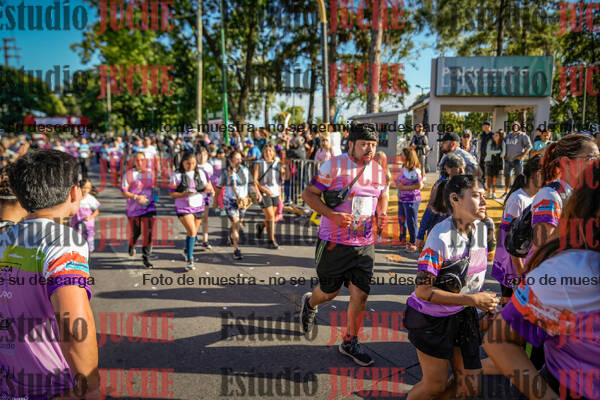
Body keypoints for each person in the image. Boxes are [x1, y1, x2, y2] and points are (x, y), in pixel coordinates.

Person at [483, 160, 600, 400]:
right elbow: (520, 240)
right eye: (587, 156)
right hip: (524, 276)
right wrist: (519, 273)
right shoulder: (539, 197)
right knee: (528, 344)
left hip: (533, 280)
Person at [2, 150, 99, 398]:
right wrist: (90, 387)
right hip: (52, 383)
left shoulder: (4, 237)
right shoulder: (63, 242)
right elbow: (73, 325)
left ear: (21, 198)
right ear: (74, 193)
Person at [299, 123, 388, 366]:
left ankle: (350, 341)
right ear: (351, 145)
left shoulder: (378, 170)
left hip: (364, 244)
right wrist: (333, 215)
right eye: (364, 144)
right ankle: (310, 302)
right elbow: (308, 194)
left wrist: (382, 212)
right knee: (330, 292)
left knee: (360, 296)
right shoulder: (333, 166)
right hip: (334, 242)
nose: (369, 149)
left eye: (373, 145)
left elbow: (382, 195)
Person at [405, 175, 499, 399]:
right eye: (476, 196)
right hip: (432, 320)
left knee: (470, 387)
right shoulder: (440, 237)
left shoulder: (483, 229)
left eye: (484, 196)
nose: (484, 201)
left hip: (464, 316)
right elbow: (423, 291)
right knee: (435, 387)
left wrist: (483, 304)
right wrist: (473, 300)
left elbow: (472, 278)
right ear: (455, 199)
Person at [529, 133, 599, 260]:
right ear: (566, 162)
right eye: (591, 158)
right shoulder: (549, 196)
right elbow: (541, 249)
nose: (597, 163)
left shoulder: (579, 194)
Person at [491, 156, 543, 304]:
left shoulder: (537, 198)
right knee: (510, 307)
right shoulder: (518, 199)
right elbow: (510, 240)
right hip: (513, 267)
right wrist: (521, 274)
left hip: (524, 266)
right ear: (537, 174)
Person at [169, 152, 213, 271]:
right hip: (183, 207)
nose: (191, 166)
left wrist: (208, 189)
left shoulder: (200, 173)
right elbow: (172, 194)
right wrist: (184, 194)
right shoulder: (177, 175)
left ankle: (187, 250)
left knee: (192, 233)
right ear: (182, 163)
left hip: (198, 206)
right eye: (188, 163)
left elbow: (206, 187)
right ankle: (190, 259)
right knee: (192, 231)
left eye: (193, 163)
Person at [415, 154, 465, 252]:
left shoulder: (464, 186)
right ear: (448, 169)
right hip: (439, 234)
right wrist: (420, 235)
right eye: (458, 168)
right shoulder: (442, 186)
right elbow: (430, 211)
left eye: (463, 168)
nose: (462, 171)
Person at [121, 151, 158, 269]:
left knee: (148, 232)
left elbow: (154, 188)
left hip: (149, 207)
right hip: (133, 209)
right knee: (137, 232)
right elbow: (124, 191)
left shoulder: (151, 173)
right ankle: (132, 244)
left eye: (142, 160)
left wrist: (154, 193)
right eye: (137, 160)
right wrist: (136, 197)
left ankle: (146, 257)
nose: (140, 162)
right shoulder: (129, 174)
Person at [217, 150, 250, 260]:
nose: (239, 161)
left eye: (240, 158)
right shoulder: (225, 172)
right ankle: (236, 249)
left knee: (239, 223)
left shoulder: (245, 170)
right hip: (230, 201)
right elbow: (218, 187)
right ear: (231, 160)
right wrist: (216, 200)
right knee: (236, 223)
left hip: (243, 201)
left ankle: (231, 233)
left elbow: (250, 183)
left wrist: (255, 195)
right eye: (236, 159)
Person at [254, 144, 285, 249]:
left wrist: (280, 195)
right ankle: (271, 240)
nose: (268, 153)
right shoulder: (259, 164)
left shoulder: (277, 163)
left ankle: (261, 226)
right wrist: (263, 190)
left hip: (275, 193)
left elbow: (280, 179)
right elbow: (255, 180)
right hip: (264, 194)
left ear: (273, 153)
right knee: (271, 217)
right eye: (266, 151)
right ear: (263, 153)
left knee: (270, 218)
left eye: (270, 151)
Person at [392, 147, 423, 252]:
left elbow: (419, 185)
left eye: (402, 155)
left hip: (411, 200)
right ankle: (402, 239)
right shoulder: (403, 167)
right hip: (402, 199)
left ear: (408, 156)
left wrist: (403, 188)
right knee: (401, 220)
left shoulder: (415, 171)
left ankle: (414, 243)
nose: (400, 156)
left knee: (411, 222)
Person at [502, 121, 532, 197]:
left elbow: (529, 146)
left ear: (519, 127)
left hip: (517, 160)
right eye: (513, 125)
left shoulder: (523, 135)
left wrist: (522, 155)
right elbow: (502, 146)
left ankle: (517, 192)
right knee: (507, 176)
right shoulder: (508, 136)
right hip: (508, 159)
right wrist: (503, 154)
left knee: (518, 177)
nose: (515, 127)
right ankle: (506, 192)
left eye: (516, 126)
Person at [70, 178, 101, 253]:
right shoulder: (75, 198)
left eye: (88, 188)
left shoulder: (91, 199)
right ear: (79, 188)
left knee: (88, 240)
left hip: (87, 224)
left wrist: (90, 217)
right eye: (84, 188)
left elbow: (97, 211)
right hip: (76, 223)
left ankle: (88, 253)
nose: (86, 190)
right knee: (76, 239)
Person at [197, 147, 214, 250]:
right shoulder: (193, 165)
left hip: (205, 195)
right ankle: (193, 235)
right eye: (200, 154)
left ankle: (205, 240)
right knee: (196, 218)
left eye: (204, 155)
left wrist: (212, 189)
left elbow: (209, 180)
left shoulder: (209, 166)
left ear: (207, 156)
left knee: (205, 218)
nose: (202, 157)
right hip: (194, 195)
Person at [484, 130, 505, 199]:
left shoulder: (502, 143)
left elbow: (503, 153)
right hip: (489, 161)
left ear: (499, 136)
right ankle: (488, 192)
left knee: (495, 179)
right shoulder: (490, 142)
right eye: (494, 135)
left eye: (496, 135)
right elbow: (488, 151)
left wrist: (494, 152)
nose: (494, 136)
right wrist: (497, 152)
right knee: (488, 178)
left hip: (498, 162)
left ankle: (493, 193)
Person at [479, 121, 493, 185]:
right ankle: (483, 184)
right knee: (482, 171)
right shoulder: (482, 135)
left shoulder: (492, 135)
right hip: (482, 156)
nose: (482, 127)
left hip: (490, 156)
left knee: (490, 172)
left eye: (483, 125)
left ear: (488, 126)